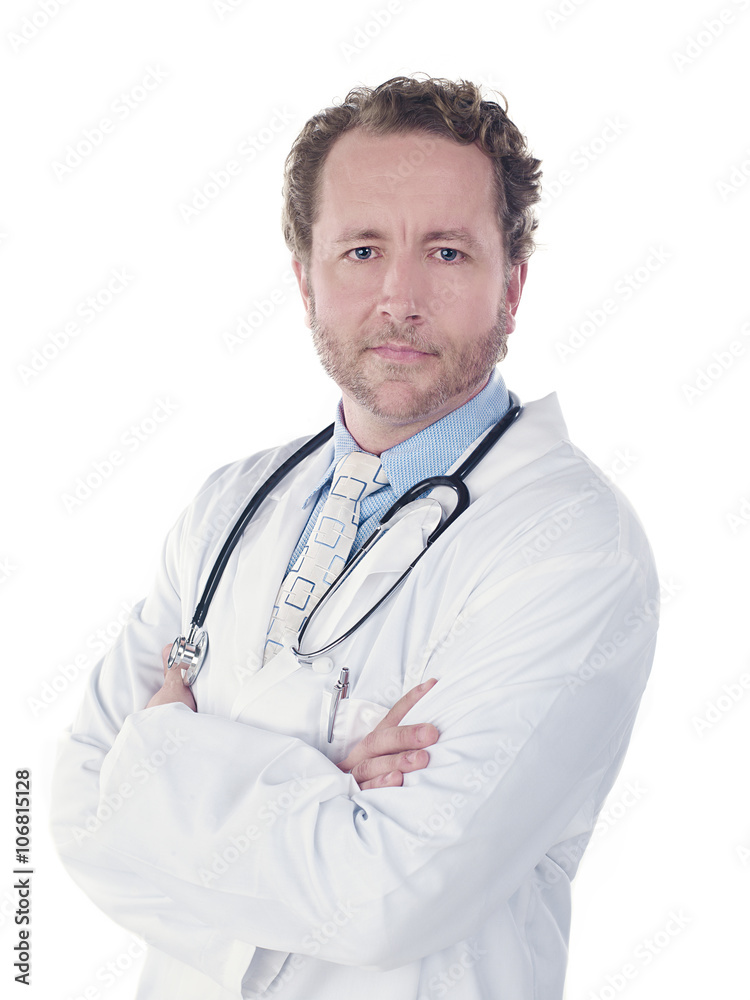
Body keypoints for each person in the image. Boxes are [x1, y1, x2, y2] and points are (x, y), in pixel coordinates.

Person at [51, 75, 659, 999]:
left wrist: (170, 755)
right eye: (362, 250)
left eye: (447, 252)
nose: (399, 297)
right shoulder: (227, 506)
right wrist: (326, 778)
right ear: (305, 278)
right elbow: (76, 810)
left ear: (513, 282)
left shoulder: (572, 546)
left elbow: (388, 896)